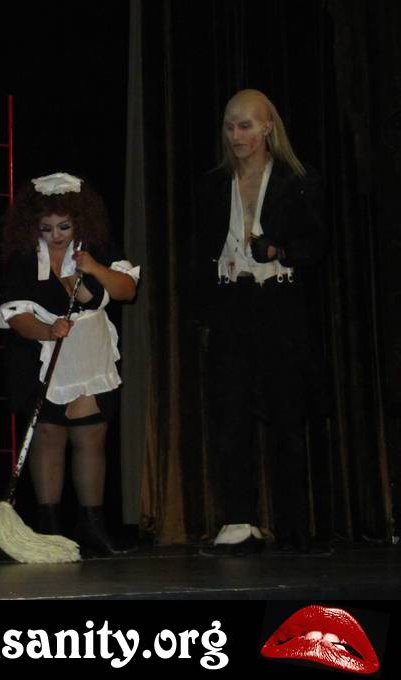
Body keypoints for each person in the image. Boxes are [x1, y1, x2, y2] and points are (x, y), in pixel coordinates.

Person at [194, 89, 328, 555]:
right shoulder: (213, 185)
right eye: (230, 126)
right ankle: (239, 521)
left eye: (246, 125)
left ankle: (294, 526)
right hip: (232, 304)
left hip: (279, 303)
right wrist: (206, 310)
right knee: (231, 415)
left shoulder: (298, 179)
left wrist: (279, 249)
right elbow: (198, 251)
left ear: (268, 126)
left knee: (288, 414)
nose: (236, 135)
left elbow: (317, 244)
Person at [0, 172, 139, 556]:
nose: (56, 235)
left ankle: (92, 526)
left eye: (64, 226)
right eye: (46, 228)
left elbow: (127, 290)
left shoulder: (97, 247)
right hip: (40, 352)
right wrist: (46, 330)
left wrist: (94, 268)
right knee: (48, 434)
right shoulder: (23, 258)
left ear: (79, 220)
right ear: (33, 225)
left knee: (91, 437)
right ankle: (49, 527)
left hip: (90, 349)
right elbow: (14, 315)